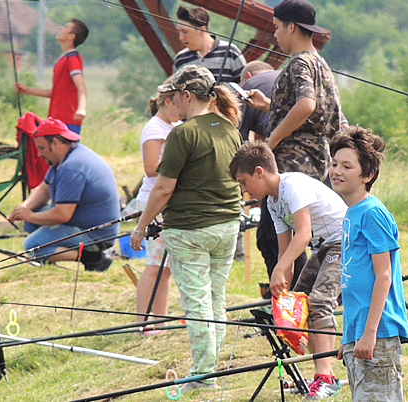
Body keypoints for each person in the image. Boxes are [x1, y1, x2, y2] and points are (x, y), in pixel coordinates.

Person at [129, 65, 242, 393]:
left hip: (190, 229)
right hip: (228, 225)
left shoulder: (182, 133)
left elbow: (163, 188)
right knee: (216, 297)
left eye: (174, 96)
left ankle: (204, 375)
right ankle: (211, 366)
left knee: (197, 302)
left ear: (187, 96)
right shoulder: (229, 127)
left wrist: (140, 227)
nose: (171, 102)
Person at [229, 141, 346, 399]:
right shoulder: (272, 202)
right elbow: (286, 252)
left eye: (244, 182)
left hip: (344, 243)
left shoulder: (292, 185)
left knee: (318, 302)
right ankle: (324, 374)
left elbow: (303, 234)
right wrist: (284, 291)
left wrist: (278, 271)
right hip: (322, 249)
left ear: (259, 172)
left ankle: (325, 377)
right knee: (299, 303)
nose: (243, 190)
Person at [330, 126, 408, 402]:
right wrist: (349, 338)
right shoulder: (352, 212)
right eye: (334, 163)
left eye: (347, 166)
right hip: (360, 334)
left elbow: (383, 276)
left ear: (368, 175)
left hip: (378, 334)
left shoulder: (373, 213)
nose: (336, 171)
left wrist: (369, 334)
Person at [246, 0, 341, 181]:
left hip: (293, 164)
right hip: (316, 165)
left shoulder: (299, 63)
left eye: (277, 27)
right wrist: (267, 104)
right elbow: (314, 115)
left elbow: (306, 105)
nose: (275, 34)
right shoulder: (320, 63)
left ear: (291, 27)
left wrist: (274, 138)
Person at [8, 117, 119, 272]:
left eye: (42, 148)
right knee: (32, 217)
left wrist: (30, 216)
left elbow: (62, 215)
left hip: (95, 235)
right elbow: (44, 190)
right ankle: (46, 257)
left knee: (32, 246)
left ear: (55, 143)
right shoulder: (65, 156)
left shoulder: (72, 167)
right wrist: (24, 209)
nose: (39, 154)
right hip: (81, 224)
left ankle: (93, 258)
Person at [129, 78, 181, 330]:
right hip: (154, 202)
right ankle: (143, 322)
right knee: (154, 265)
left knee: (165, 267)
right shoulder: (154, 128)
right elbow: (151, 168)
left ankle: (161, 321)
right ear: (168, 102)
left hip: (168, 202)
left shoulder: (174, 125)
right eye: (178, 103)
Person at [15, 19, 88, 134]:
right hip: (56, 120)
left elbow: (81, 87)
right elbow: (56, 93)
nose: (61, 28)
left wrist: (81, 108)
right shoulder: (63, 59)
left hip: (68, 121)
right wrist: (28, 90)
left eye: (65, 27)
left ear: (71, 36)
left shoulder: (72, 59)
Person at [172, 6, 246, 83]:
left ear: (202, 29)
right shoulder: (180, 59)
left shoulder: (230, 52)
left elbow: (245, 84)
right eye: (179, 32)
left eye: (185, 32)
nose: (181, 37)